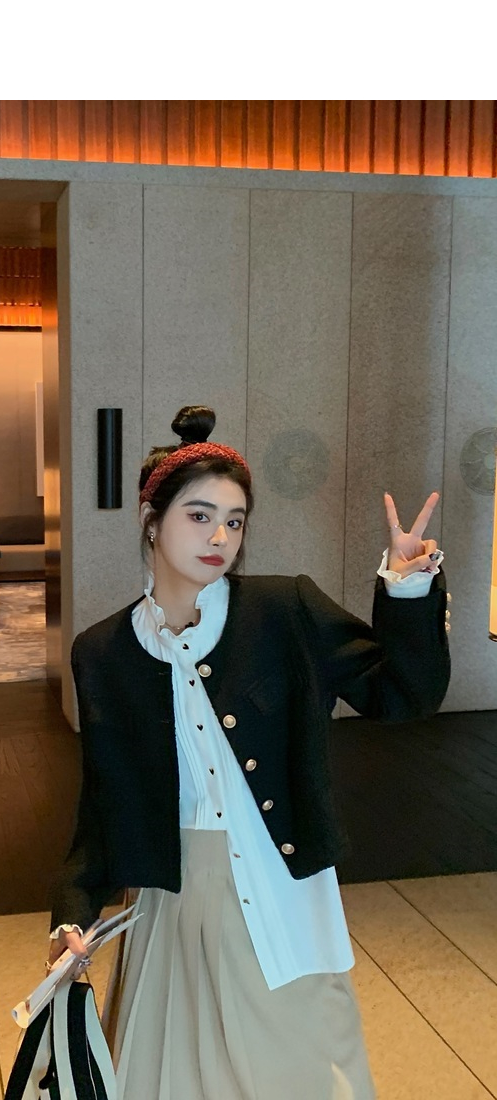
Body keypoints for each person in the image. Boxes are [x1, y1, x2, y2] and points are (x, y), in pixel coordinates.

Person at [47, 405, 451, 1100]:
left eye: (234, 521)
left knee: (293, 1070)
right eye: (199, 516)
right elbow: (104, 803)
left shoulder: (283, 611)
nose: (220, 537)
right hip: (171, 899)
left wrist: (407, 587)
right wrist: (71, 912)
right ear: (151, 521)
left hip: (277, 884)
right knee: (171, 1076)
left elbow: (403, 696)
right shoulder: (103, 652)